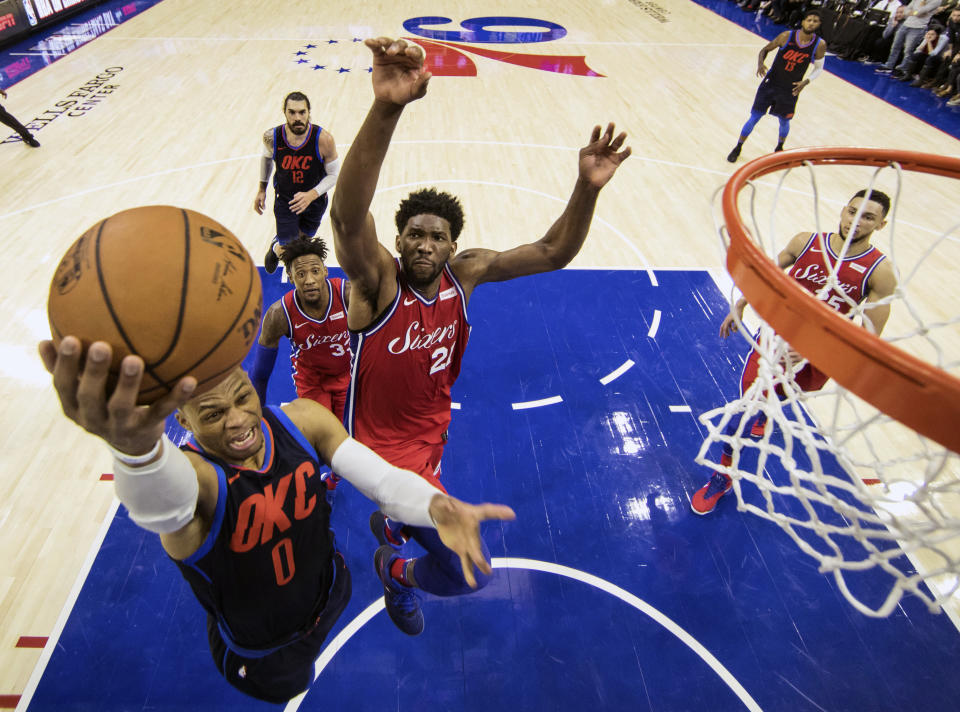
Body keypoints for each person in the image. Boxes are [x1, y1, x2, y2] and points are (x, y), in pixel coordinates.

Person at [329, 37, 630, 636]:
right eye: (413, 233)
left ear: (452, 244)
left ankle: (393, 530)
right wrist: (388, 108)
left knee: (417, 519)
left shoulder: (465, 276)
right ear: (399, 237)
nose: (424, 244)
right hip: (380, 453)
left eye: (437, 236)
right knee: (472, 577)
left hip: (431, 433)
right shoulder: (376, 281)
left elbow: (553, 251)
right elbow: (345, 216)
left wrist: (587, 188)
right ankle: (397, 571)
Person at [39, 337, 514, 703]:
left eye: (243, 397)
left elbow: (384, 482)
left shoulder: (301, 419)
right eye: (212, 413)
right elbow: (160, 503)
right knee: (292, 689)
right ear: (182, 420)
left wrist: (433, 504)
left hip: (330, 588)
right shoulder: (197, 479)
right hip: (265, 648)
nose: (238, 419)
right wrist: (136, 453)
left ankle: (390, 569)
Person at [691, 189, 898, 515]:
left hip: (817, 357)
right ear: (843, 210)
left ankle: (763, 413)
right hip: (774, 342)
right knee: (740, 417)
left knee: (775, 402)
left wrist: (844, 361)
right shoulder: (806, 242)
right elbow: (767, 275)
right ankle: (722, 477)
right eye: (852, 211)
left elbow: (869, 336)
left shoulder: (880, 272)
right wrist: (742, 303)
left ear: (881, 224)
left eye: (867, 217)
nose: (855, 221)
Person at [250, 237, 351, 420]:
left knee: (349, 433)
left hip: (347, 375)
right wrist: (257, 419)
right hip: (312, 382)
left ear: (325, 272)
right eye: (301, 274)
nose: (309, 280)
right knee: (321, 432)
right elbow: (259, 374)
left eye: (315, 271)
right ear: (290, 278)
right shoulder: (278, 314)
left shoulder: (347, 295)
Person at [254, 91, 339, 274]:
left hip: (315, 201)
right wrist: (262, 189)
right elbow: (266, 160)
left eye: (302, 112)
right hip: (286, 201)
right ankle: (283, 252)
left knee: (303, 241)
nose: (297, 118)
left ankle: (276, 247)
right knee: (293, 253)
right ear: (284, 112)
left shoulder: (324, 139)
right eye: (292, 112)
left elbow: (334, 175)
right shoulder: (272, 137)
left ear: (309, 112)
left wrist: (312, 194)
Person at [726, 10, 827, 163]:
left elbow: (819, 68)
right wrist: (760, 64)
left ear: (819, 24)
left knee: (784, 121)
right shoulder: (786, 36)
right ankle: (738, 147)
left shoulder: (819, 44)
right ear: (803, 21)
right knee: (755, 117)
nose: (811, 23)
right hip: (771, 84)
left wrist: (806, 82)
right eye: (809, 20)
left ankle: (779, 148)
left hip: (790, 88)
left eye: (815, 21)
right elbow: (764, 50)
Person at [875, 0, 943, 75]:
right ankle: (889, 65)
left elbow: (921, 11)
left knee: (908, 50)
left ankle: (903, 69)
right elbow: (906, 10)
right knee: (895, 46)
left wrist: (914, 11)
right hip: (906, 24)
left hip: (918, 27)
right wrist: (914, 12)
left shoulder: (936, 1)